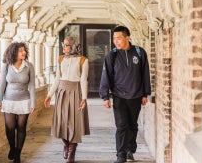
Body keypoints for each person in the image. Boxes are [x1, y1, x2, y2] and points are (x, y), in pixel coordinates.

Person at [99, 26, 151, 163]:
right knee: (121, 125)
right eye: (114, 38)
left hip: (136, 95)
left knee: (132, 125)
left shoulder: (140, 52)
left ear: (127, 38)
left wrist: (145, 93)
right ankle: (120, 155)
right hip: (119, 96)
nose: (116, 41)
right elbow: (106, 76)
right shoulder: (112, 55)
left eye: (119, 38)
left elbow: (145, 73)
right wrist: (105, 96)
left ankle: (130, 150)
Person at [44, 37, 90, 163]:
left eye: (66, 45)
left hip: (76, 91)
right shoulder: (60, 59)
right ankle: (66, 143)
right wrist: (49, 95)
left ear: (74, 47)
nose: (63, 47)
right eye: (62, 45)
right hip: (62, 92)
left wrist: (84, 98)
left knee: (75, 122)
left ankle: (72, 151)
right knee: (62, 121)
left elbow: (83, 80)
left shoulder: (83, 60)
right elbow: (57, 79)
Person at [0, 42, 36, 163]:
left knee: (21, 127)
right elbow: (2, 83)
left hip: (24, 101)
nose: (23, 52)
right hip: (9, 101)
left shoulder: (29, 66)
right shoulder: (6, 66)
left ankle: (18, 154)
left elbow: (32, 86)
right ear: (14, 52)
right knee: (10, 127)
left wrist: (33, 103)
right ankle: (12, 148)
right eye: (20, 51)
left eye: (24, 50)